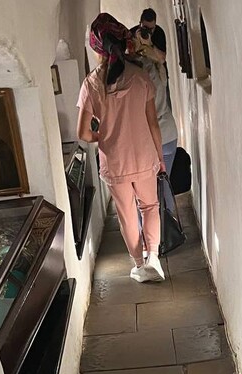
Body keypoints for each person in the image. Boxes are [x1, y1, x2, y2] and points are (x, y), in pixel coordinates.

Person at [77, 13, 166, 283]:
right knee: (149, 206)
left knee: (127, 214)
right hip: (144, 156)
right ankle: (153, 257)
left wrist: (104, 135)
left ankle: (138, 265)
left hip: (115, 162)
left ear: (97, 48)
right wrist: (160, 158)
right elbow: (153, 124)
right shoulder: (141, 78)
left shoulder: (91, 84)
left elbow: (82, 133)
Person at [133, 27, 178, 212]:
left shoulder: (135, 74)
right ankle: (171, 228)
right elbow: (160, 58)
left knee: (147, 193)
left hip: (149, 139)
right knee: (166, 184)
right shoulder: (159, 67)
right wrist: (148, 46)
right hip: (169, 133)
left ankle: (155, 233)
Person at [130, 8, 171, 108]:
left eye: (151, 29)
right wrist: (136, 42)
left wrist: (150, 44)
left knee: (164, 109)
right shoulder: (131, 34)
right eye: (145, 28)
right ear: (140, 23)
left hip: (159, 77)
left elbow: (162, 59)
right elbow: (129, 56)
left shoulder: (159, 33)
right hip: (141, 79)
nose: (148, 32)